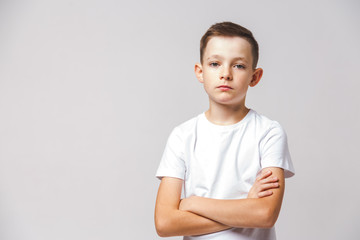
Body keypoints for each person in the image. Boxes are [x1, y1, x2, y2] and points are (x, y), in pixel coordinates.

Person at [154, 21, 295, 240]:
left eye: (238, 65)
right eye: (215, 64)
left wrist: (193, 203)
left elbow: (265, 214)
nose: (226, 74)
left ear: (254, 76)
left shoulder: (268, 132)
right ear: (200, 72)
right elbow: (165, 223)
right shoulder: (182, 136)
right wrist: (245, 207)